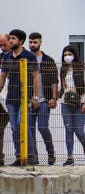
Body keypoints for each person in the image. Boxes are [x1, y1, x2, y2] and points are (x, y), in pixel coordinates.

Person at [0, 29, 40, 166]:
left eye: (13, 38)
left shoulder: (29, 56)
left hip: (26, 97)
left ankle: (31, 156)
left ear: (21, 41)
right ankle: (19, 157)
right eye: (9, 38)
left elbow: (36, 78)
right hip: (11, 98)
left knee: (22, 125)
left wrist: (35, 96)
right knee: (14, 128)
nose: (10, 41)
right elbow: (3, 78)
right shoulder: (7, 57)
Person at [58, 45, 85, 165]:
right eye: (65, 55)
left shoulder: (82, 67)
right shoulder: (63, 69)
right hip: (66, 102)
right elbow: (63, 86)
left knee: (78, 130)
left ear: (75, 55)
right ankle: (70, 157)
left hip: (80, 101)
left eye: (69, 54)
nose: (67, 57)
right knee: (68, 129)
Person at [27, 32, 58, 165]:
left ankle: (50, 152)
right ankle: (34, 158)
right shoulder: (26, 59)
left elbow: (54, 81)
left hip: (44, 100)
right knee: (29, 129)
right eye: (30, 42)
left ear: (40, 43)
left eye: (35, 42)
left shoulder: (48, 60)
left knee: (42, 127)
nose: (32, 44)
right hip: (29, 100)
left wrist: (54, 98)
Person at [0, 34, 9, 164]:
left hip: (12, 98)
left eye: (4, 44)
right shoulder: (2, 58)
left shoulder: (20, 58)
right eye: (0, 45)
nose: (2, 47)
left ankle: (22, 156)